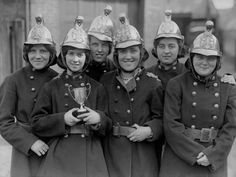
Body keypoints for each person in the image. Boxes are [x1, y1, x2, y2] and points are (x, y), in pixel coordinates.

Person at [31, 16, 111, 177]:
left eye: (80, 55)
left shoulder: (97, 88)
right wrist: (63, 119)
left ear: (86, 58)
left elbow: (109, 124)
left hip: (90, 154)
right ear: (64, 56)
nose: (75, 59)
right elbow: (37, 123)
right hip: (59, 155)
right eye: (71, 54)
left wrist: (99, 119)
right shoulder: (51, 87)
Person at [159, 20, 236, 177]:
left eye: (210, 58)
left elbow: (230, 128)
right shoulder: (176, 84)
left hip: (212, 159)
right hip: (180, 158)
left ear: (218, 61)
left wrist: (213, 155)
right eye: (199, 57)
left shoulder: (227, 87)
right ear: (191, 58)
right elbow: (171, 125)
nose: (204, 62)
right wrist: (196, 153)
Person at [100, 14, 164, 177]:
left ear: (141, 53)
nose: (128, 56)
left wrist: (149, 130)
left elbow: (163, 119)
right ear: (116, 55)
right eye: (123, 52)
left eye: (133, 51)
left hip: (143, 155)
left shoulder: (153, 83)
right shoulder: (106, 80)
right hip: (112, 153)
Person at [0, 15, 58, 177]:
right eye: (32, 51)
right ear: (26, 53)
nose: (37, 56)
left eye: (43, 51)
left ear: (51, 54)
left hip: (53, 147)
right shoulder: (14, 80)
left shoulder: (57, 79)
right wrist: (30, 142)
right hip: (24, 151)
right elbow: (4, 122)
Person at [85, 5, 116, 81]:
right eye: (95, 44)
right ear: (88, 45)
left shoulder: (115, 69)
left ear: (110, 47)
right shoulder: (80, 67)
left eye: (104, 45)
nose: (99, 49)